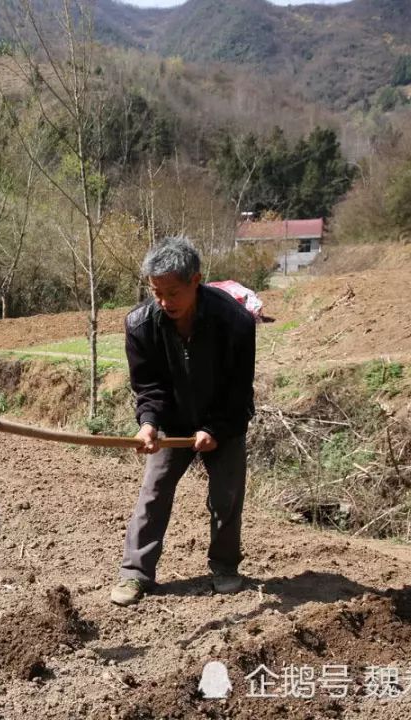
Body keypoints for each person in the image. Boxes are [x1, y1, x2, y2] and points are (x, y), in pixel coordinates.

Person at [110, 237, 256, 606]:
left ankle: (224, 568)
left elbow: (238, 390)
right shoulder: (141, 325)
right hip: (173, 425)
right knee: (154, 493)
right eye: (156, 292)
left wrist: (215, 428)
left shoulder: (234, 321)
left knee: (226, 497)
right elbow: (149, 386)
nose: (164, 302)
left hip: (225, 421)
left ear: (197, 280)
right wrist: (149, 423)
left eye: (173, 292)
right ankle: (136, 574)